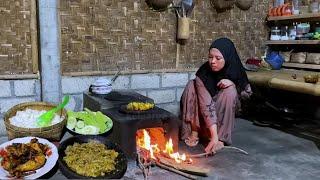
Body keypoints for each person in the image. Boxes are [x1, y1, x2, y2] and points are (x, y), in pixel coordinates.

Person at [180, 37, 252, 153]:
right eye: (210, 57)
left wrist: (233, 84)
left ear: (227, 58)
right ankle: (195, 131)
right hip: (204, 113)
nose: (213, 61)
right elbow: (206, 104)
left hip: (220, 114)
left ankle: (221, 138)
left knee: (230, 92)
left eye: (218, 58)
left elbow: (246, 96)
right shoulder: (204, 72)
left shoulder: (235, 69)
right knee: (191, 85)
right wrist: (213, 136)